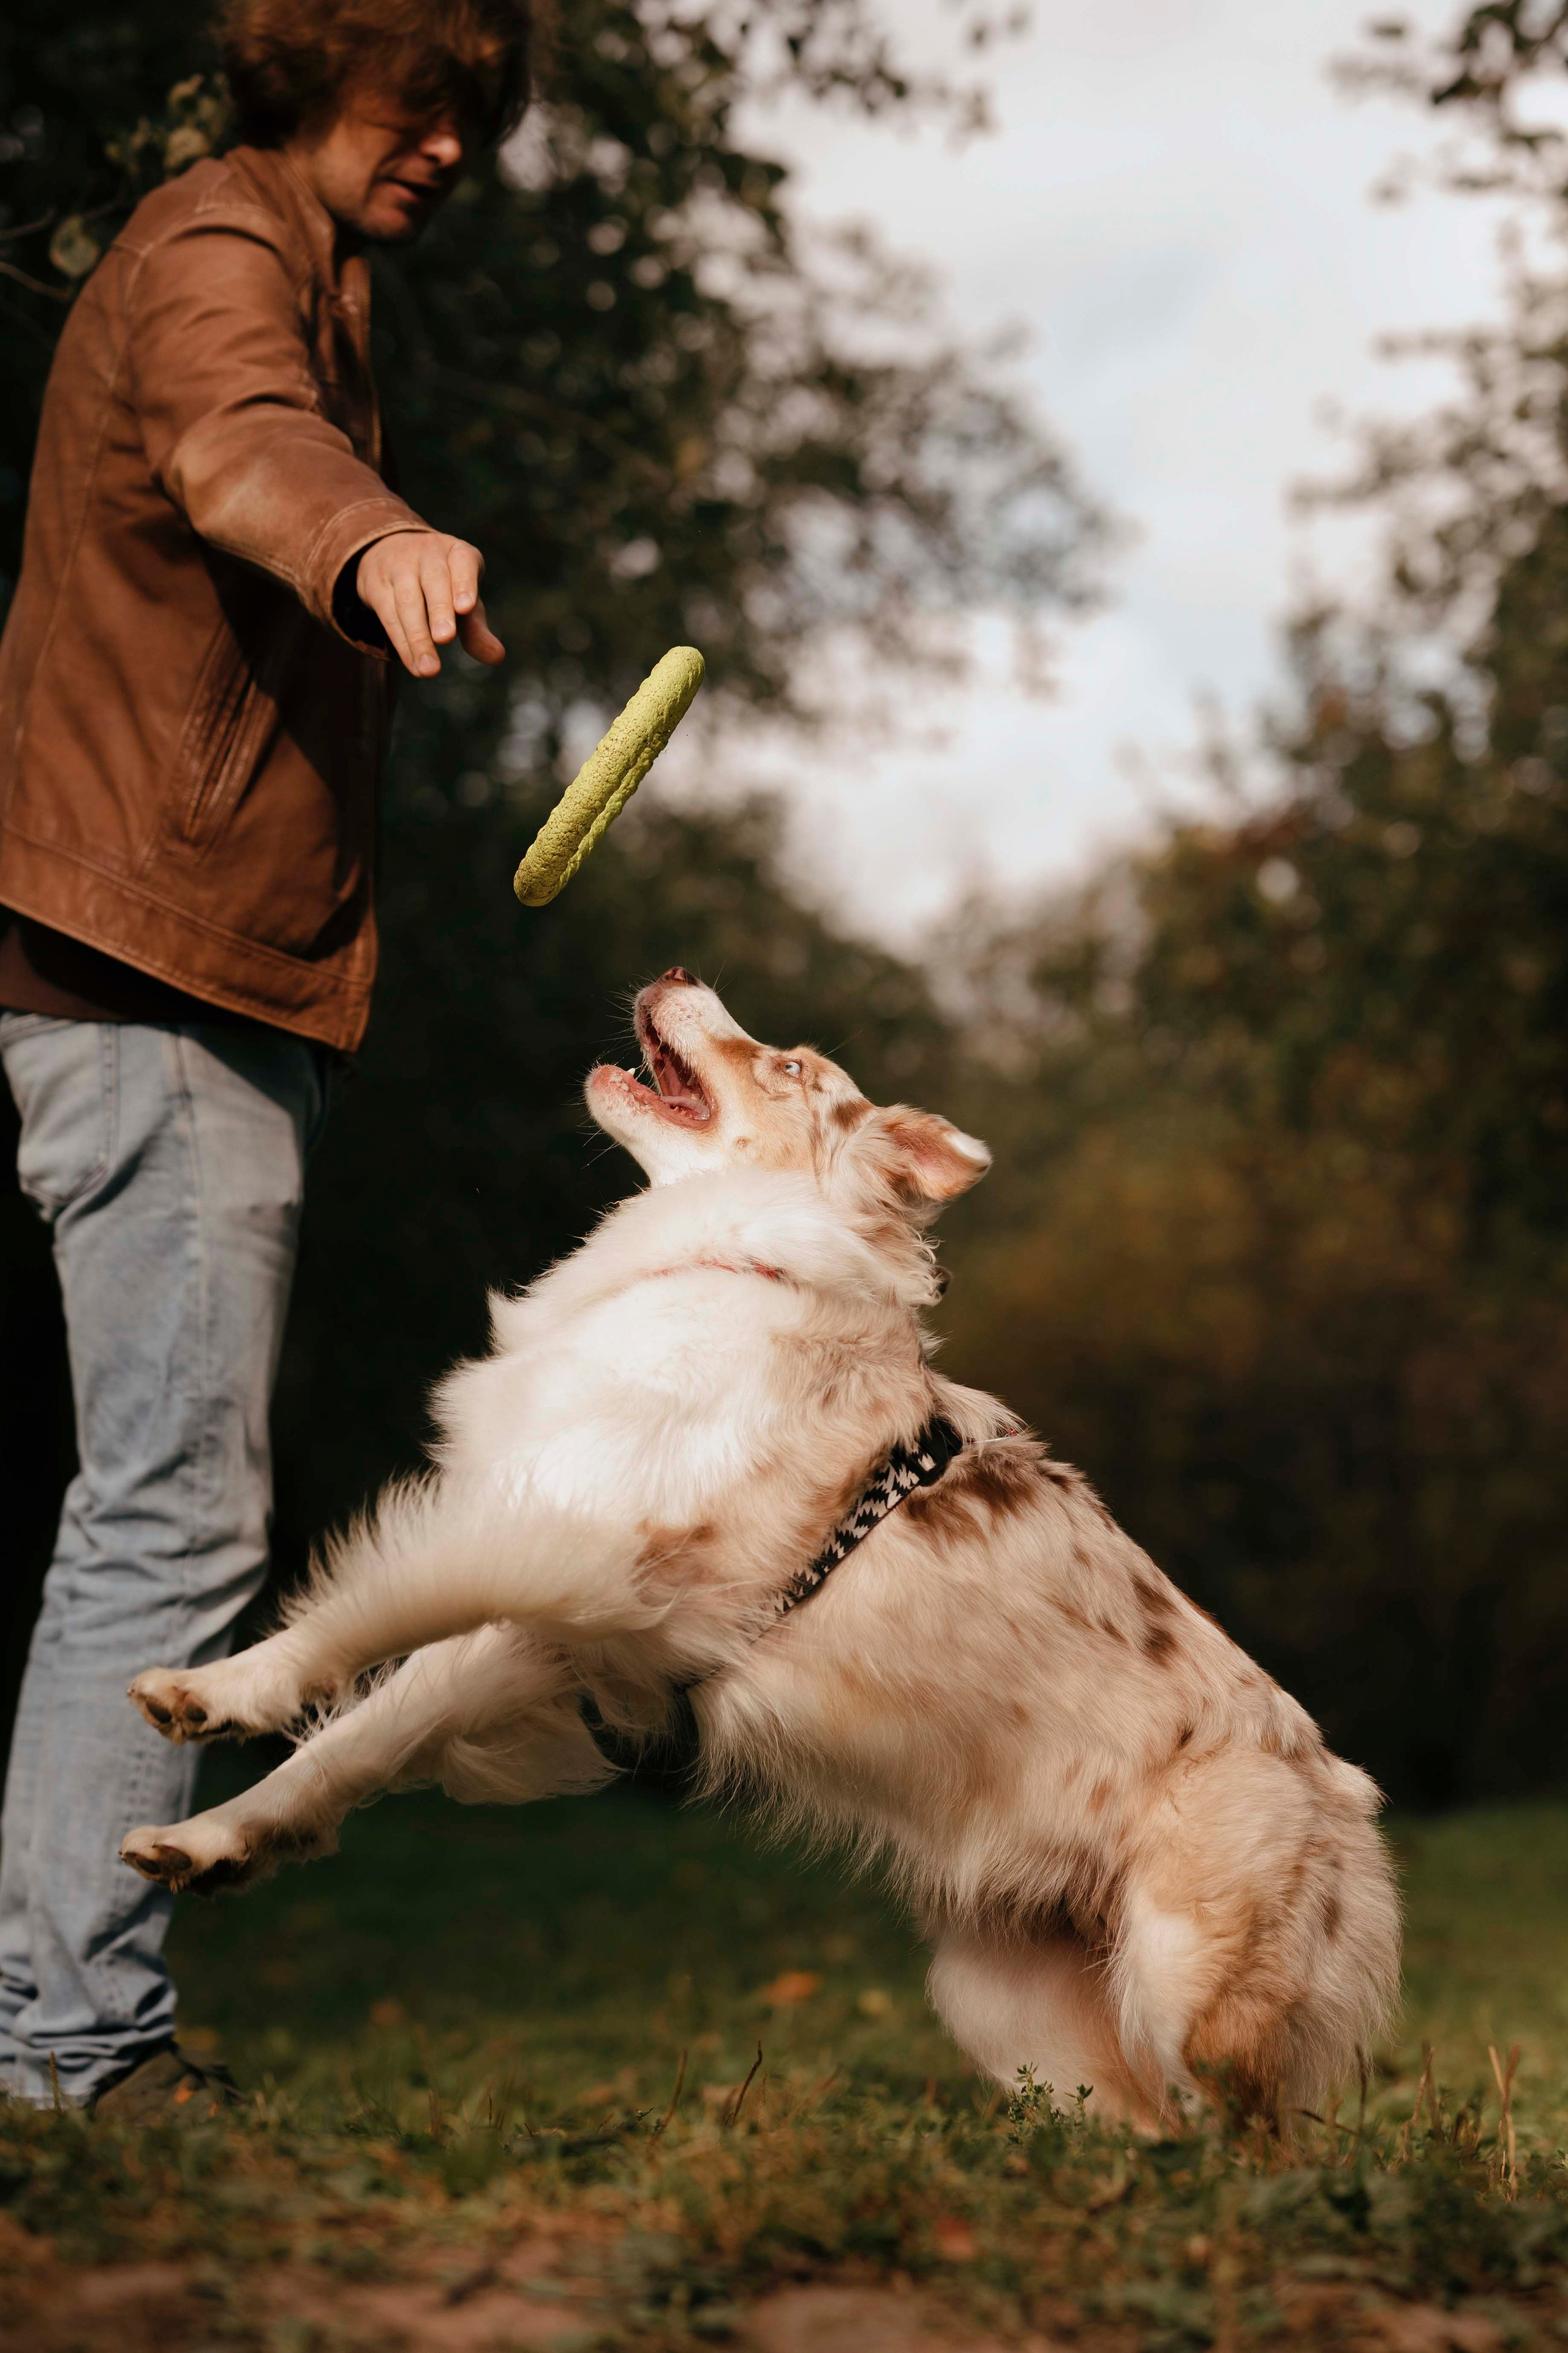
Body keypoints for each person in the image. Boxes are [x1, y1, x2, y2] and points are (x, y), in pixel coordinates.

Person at [0, 0, 532, 2120]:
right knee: (167, 1520)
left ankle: (58, 2034)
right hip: (141, 973)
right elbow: (240, 442)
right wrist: (367, 534)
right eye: (428, 106)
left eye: (478, 120)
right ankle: (68, 2047)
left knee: (163, 1504)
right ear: (315, 71)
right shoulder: (217, 253)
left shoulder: (312, 272)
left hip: (182, 971)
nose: (454, 151)